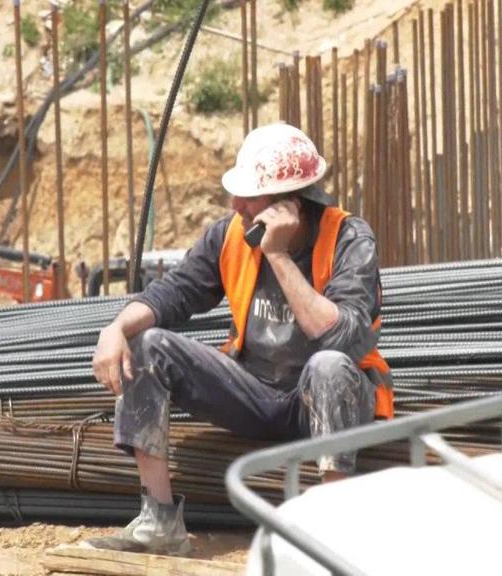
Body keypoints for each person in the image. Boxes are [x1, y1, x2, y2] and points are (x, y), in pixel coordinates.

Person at [82, 123, 393, 556]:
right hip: (255, 393)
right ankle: (159, 523)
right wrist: (115, 328)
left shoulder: (349, 239)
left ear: (290, 202)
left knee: (329, 365)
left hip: (328, 400)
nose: (236, 205)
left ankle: (330, 531)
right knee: (145, 344)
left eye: (250, 197)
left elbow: (342, 339)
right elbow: (174, 292)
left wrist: (277, 254)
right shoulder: (229, 235)